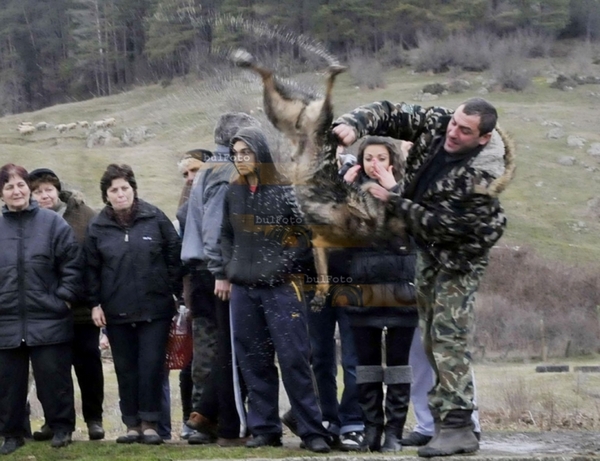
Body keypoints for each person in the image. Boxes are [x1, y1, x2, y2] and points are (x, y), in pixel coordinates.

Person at [333, 97, 514, 457]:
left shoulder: (480, 178)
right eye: (454, 123)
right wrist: (356, 124)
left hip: (461, 252)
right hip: (429, 247)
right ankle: (440, 423)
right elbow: (391, 111)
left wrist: (394, 198)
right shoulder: (438, 124)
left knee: (448, 335)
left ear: (483, 137)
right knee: (429, 335)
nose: (453, 132)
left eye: (465, 130)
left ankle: (459, 425)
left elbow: (441, 224)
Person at [220, 126, 331, 453]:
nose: (241, 159)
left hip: (282, 288)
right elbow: (225, 236)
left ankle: (312, 431)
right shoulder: (233, 192)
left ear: (260, 154)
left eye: (246, 152)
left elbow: (304, 238)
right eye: (236, 154)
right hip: (244, 290)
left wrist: (281, 266)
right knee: (253, 361)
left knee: (294, 359)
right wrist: (231, 267)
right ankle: (265, 429)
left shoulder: (285, 189)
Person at [85, 164, 182, 445]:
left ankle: (151, 424)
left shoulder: (154, 217)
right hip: (116, 310)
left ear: (133, 189)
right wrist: (95, 304)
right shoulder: (98, 227)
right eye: (113, 190)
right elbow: (90, 269)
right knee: (125, 368)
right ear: (106, 195)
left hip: (156, 309)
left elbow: (174, 254)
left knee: (151, 366)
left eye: (125, 188)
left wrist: (171, 291)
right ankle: (131, 425)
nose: (120, 194)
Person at [334, 136, 418, 452]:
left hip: (401, 291)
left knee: (398, 366)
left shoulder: (408, 192)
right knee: (365, 366)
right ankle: (372, 430)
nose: (374, 164)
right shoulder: (352, 196)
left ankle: (394, 433)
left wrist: (394, 192)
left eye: (381, 157)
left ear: (392, 160)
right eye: (368, 158)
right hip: (361, 292)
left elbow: (421, 229)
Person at [180, 113, 258, 446]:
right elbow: (214, 226)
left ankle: (205, 415)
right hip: (218, 272)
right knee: (230, 350)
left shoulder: (212, 166)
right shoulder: (225, 170)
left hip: (211, 269)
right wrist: (221, 272)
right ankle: (226, 423)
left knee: (228, 348)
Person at [0, 164, 80, 455]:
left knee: (54, 378)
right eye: (9, 187)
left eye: (20, 185)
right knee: (7, 384)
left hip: (49, 315)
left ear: (28, 189)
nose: (16, 191)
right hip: (5, 321)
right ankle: (11, 433)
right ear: (1, 194)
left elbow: (72, 264)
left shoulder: (52, 223)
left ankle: (61, 428)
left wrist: (63, 298)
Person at [27, 168, 105, 442]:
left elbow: (97, 259)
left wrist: (95, 299)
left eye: (48, 189)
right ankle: (54, 421)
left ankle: (94, 419)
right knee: (51, 371)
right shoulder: (28, 220)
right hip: (45, 311)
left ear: (57, 190)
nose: (43, 195)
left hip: (82, 308)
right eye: (37, 191)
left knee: (88, 365)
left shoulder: (84, 215)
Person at [175, 147, 211, 440]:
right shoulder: (184, 205)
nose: (189, 178)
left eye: (194, 171)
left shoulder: (219, 194)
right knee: (197, 363)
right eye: (185, 173)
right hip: (196, 295)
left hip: (224, 289)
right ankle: (195, 418)